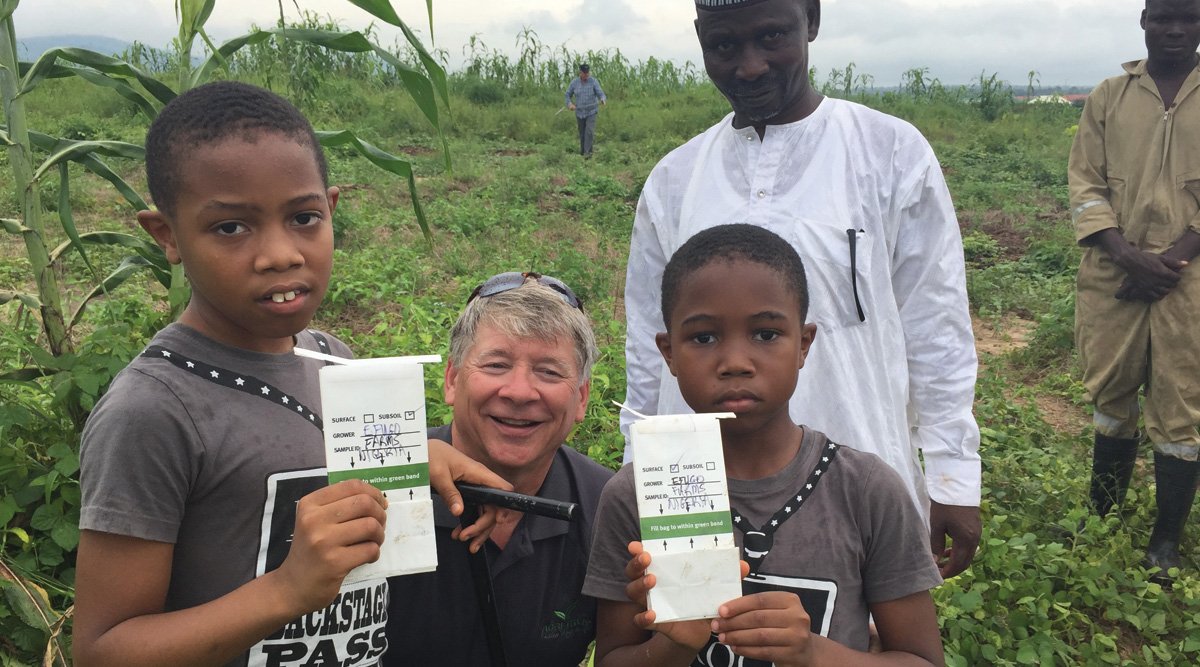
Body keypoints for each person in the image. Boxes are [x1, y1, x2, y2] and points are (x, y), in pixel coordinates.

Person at [73, 81, 510, 667]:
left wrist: (411, 461)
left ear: (331, 209)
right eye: (231, 227)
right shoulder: (153, 412)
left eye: (304, 217)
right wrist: (286, 589)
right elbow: (102, 650)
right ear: (167, 236)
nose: (281, 254)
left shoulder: (333, 360)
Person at [621, 0, 982, 579]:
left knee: (851, 622)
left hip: (855, 478)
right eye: (724, 45)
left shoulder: (890, 153)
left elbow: (934, 323)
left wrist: (953, 476)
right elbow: (648, 344)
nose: (750, 66)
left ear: (810, 19)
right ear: (700, 38)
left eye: (771, 37)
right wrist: (639, 467)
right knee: (700, 615)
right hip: (696, 484)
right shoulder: (674, 180)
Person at [586, 224, 945, 667]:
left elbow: (923, 660)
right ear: (669, 353)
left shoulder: (868, 491)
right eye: (703, 338)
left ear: (804, 345)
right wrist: (676, 643)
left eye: (766, 334)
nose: (736, 362)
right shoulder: (638, 493)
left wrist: (813, 651)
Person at [384, 273, 614, 666]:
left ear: (581, 398)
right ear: (452, 380)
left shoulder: (607, 506)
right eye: (495, 365)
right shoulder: (384, 481)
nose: (519, 392)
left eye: (549, 371)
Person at [1070, 0, 1200, 580]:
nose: (1175, 29)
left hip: (1189, 281)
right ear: (1144, 20)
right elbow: (1085, 184)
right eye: (1164, 17)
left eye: (1189, 18)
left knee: (1181, 405)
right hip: (1113, 274)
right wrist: (1127, 255)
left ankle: (1165, 542)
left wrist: (1172, 260)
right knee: (1111, 395)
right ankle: (1100, 518)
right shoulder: (1108, 97)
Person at [564, 63, 607, 158]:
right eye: (585, 73)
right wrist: (570, 104)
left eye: (588, 72)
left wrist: (602, 99)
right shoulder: (574, 83)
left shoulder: (594, 82)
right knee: (582, 133)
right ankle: (583, 153)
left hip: (591, 111)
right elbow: (567, 94)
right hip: (579, 112)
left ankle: (588, 155)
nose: (587, 74)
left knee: (589, 132)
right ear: (580, 73)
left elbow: (601, 93)